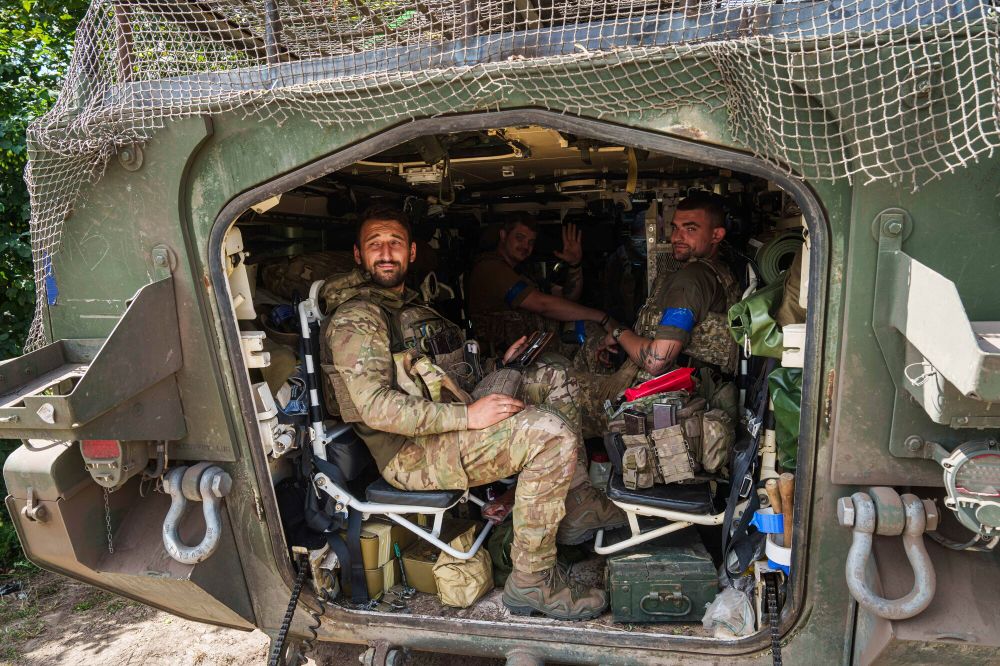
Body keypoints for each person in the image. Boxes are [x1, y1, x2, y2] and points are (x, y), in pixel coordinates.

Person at [321, 205, 622, 621]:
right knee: (550, 434)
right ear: (359, 255)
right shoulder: (359, 318)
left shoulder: (409, 306)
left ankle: (578, 502)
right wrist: (470, 417)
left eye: (394, 244)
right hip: (411, 454)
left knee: (552, 374)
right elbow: (375, 407)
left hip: (445, 426)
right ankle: (532, 582)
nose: (386, 253)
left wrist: (501, 370)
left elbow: (443, 380)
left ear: (411, 252)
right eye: (375, 245)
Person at [573, 193, 742, 437]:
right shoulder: (719, 272)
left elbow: (656, 361)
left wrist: (618, 332)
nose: (676, 237)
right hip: (686, 387)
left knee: (553, 388)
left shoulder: (690, 281)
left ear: (717, 235)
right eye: (675, 228)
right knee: (590, 349)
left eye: (690, 229)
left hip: (655, 398)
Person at [466, 215, 614, 362]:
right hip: (508, 359)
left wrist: (574, 265)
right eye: (519, 237)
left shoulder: (522, 271)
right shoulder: (490, 269)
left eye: (530, 242)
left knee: (592, 334)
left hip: (537, 351)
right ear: (503, 235)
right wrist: (602, 317)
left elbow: (566, 299)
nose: (525, 246)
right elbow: (543, 305)